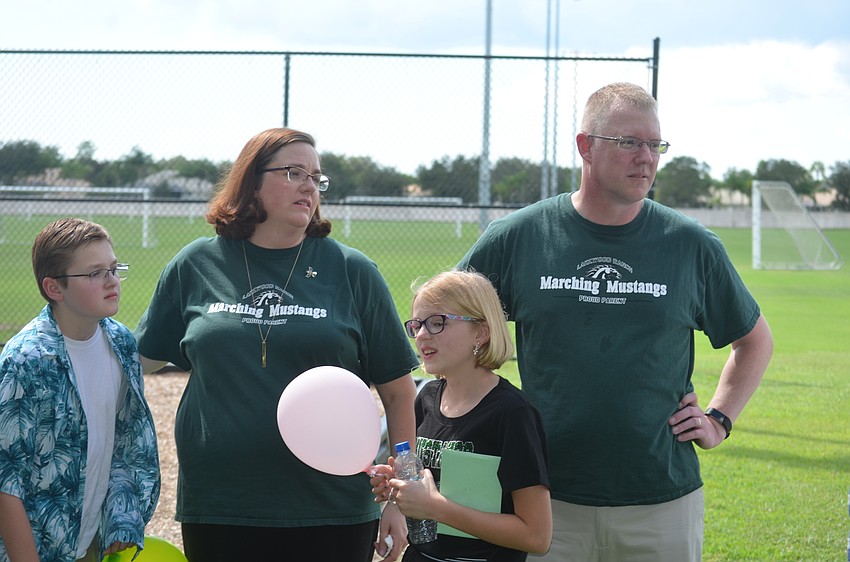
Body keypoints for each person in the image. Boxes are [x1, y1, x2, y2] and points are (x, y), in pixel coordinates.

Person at [457, 82, 774, 562]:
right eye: (629, 142)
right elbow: (447, 324)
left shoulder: (690, 245)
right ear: (585, 146)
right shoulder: (519, 237)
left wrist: (719, 419)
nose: (646, 158)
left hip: (661, 501)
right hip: (543, 498)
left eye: (655, 145)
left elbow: (754, 340)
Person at [134, 127, 419, 562]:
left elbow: (400, 393)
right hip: (221, 506)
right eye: (294, 172)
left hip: (332, 510)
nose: (310, 185)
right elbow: (138, 360)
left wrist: (403, 494)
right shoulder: (195, 264)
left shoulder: (352, 270)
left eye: (317, 177)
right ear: (251, 181)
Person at [0, 218, 161, 562]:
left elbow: (125, 439)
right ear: (54, 288)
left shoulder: (121, 343)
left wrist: (121, 514)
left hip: (89, 542)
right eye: (94, 273)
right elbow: (6, 480)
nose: (112, 281)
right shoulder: (26, 361)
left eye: (114, 269)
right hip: (32, 549)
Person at [371, 270, 551, 561]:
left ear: (480, 331)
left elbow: (536, 535)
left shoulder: (512, 413)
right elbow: (428, 488)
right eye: (416, 325)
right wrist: (398, 488)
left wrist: (435, 507)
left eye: (437, 322)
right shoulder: (427, 398)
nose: (421, 335)